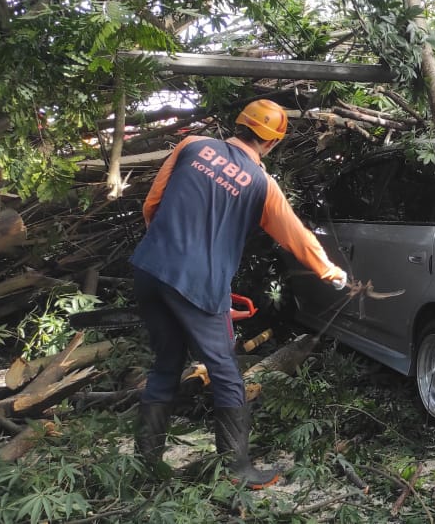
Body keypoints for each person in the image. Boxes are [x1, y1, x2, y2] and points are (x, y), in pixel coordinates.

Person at [131, 99, 349, 489]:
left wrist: (163, 255)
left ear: (240, 124)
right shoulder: (262, 184)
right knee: (227, 374)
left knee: (166, 361)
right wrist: (329, 270)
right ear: (272, 143)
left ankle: (146, 469)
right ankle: (236, 470)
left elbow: (153, 202)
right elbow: (296, 236)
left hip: (150, 267)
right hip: (199, 283)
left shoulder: (191, 145)